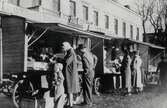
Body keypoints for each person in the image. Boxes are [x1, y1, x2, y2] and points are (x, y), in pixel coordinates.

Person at [62, 42, 78, 107]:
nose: (63, 49)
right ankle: (69, 103)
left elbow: (66, 62)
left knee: (70, 89)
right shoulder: (69, 52)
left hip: (70, 74)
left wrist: (59, 60)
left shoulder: (71, 53)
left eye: (63, 48)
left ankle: (70, 105)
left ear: (66, 46)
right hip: (69, 73)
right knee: (69, 89)